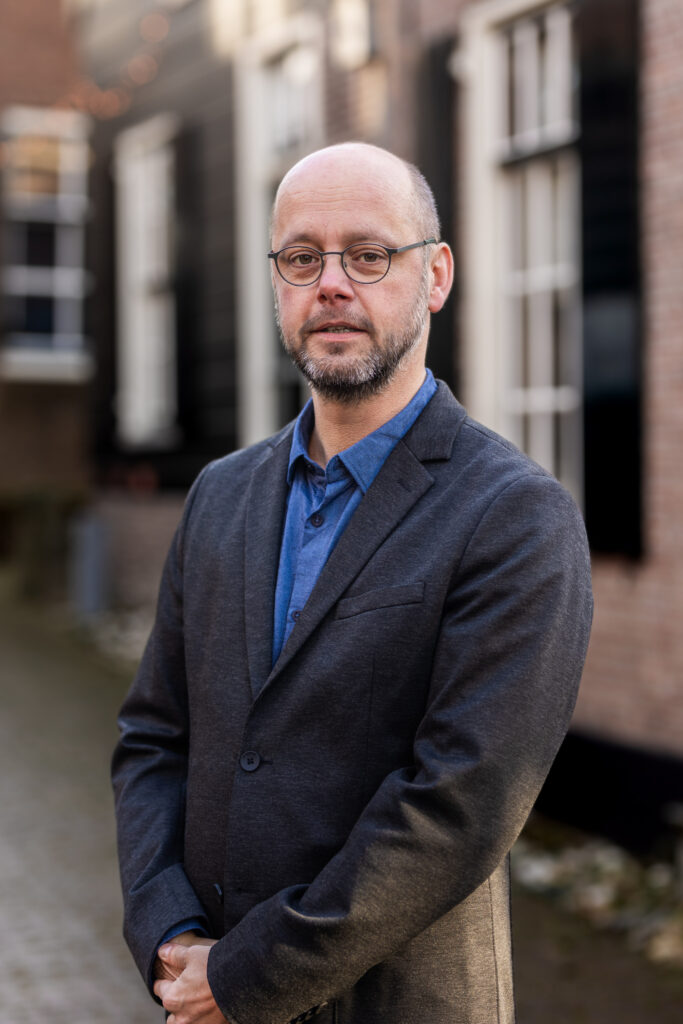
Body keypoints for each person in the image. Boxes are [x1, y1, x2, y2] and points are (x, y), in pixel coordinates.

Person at [112, 142, 593, 1024]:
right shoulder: (220, 495)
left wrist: (244, 976)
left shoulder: (516, 516)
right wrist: (166, 926)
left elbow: (459, 804)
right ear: (277, 283)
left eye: (368, 255)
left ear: (434, 275)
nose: (331, 284)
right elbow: (153, 736)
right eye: (302, 258)